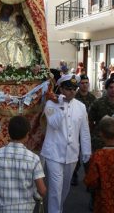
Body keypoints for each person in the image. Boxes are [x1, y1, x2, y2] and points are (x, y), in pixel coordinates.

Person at [41, 74, 91, 213]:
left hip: (72, 154)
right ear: (61, 89)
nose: (72, 92)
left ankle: (58, 208)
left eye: (74, 88)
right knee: (55, 189)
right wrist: (62, 107)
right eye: (68, 89)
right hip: (53, 154)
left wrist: (86, 150)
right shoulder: (51, 103)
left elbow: (84, 130)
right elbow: (54, 124)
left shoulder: (81, 106)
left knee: (65, 188)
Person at [0, 116, 46, 212]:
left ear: (8, 133)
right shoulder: (34, 159)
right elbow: (42, 190)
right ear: (27, 135)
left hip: (1, 209)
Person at [89, 77, 114, 151]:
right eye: (111, 87)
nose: (113, 90)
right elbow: (90, 121)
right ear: (106, 88)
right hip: (99, 141)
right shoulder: (97, 103)